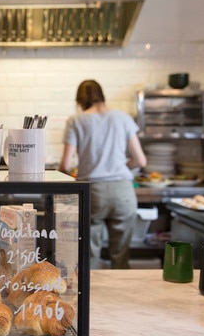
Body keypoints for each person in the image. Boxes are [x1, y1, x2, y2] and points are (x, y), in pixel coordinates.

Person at [59, 79, 147, 269]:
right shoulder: (123, 118)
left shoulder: (76, 120)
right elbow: (140, 161)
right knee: (121, 255)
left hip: (93, 192)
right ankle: (120, 297)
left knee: (89, 254)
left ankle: (92, 297)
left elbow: (65, 165)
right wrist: (119, 166)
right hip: (123, 191)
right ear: (102, 96)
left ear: (80, 101)